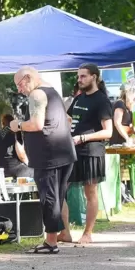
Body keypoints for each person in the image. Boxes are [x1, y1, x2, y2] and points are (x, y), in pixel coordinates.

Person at [10, 67, 76, 253]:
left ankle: (51, 242)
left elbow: (37, 124)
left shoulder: (37, 94)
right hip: (64, 151)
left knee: (49, 197)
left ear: (28, 78)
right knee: (57, 196)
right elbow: (68, 119)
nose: (20, 90)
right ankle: (57, 236)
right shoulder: (52, 91)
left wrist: (18, 125)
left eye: (19, 85)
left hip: (48, 154)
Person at [65, 63, 113, 244]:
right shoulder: (78, 99)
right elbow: (69, 119)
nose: (79, 80)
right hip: (73, 150)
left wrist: (84, 138)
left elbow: (108, 132)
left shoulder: (102, 100)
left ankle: (87, 233)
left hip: (92, 151)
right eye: (78, 77)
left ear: (94, 77)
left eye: (83, 76)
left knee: (90, 192)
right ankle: (64, 232)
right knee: (62, 188)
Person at [0, 113, 33, 179]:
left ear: (3, 123)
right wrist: (29, 164)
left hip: (2, 169)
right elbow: (21, 154)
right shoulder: (15, 132)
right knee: (36, 173)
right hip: (16, 168)